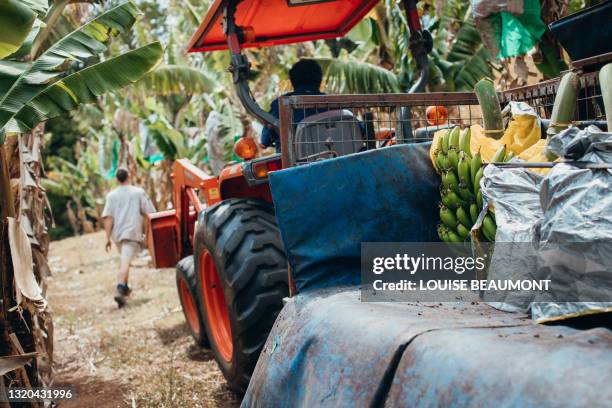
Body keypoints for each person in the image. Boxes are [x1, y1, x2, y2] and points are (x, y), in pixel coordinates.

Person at [102, 168, 155, 307]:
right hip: (131, 232)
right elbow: (150, 213)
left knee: (124, 260)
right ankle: (120, 288)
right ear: (129, 176)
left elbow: (108, 218)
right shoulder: (137, 192)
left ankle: (124, 288)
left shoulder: (111, 196)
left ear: (117, 179)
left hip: (117, 234)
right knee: (125, 262)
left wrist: (107, 238)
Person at [261, 59, 326, 152]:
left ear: (292, 81)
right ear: (319, 79)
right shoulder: (336, 103)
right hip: (332, 156)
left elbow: (264, 141)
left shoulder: (280, 105)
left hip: (292, 162)